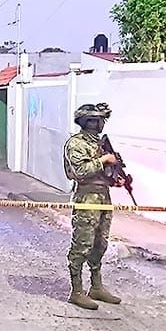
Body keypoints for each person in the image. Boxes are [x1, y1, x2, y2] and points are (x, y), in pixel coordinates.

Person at [63, 102, 124, 310]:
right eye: (95, 120)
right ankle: (76, 291)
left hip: (103, 198)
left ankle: (96, 286)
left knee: (100, 243)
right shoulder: (76, 144)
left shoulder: (101, 143)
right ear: (85, 121)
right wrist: (104, 160)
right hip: (87, 198)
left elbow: (104, 174)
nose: (99, 124)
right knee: (82, 244)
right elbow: (80, 171)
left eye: (100, 120)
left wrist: (115, 179)